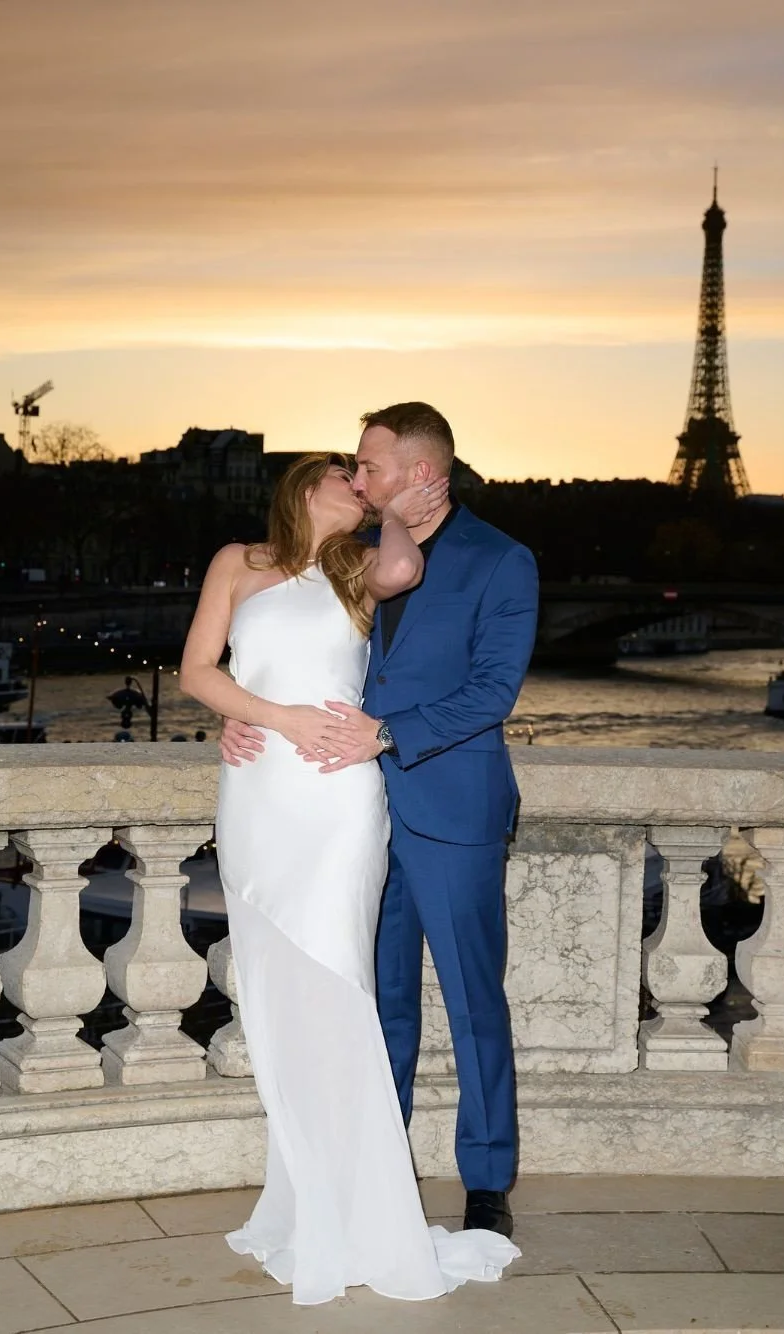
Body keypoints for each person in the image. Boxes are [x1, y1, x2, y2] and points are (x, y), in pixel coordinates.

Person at [180, 450, 520, 1305]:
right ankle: (310, 1185)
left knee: (341, 984)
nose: (357, 487)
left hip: (338, 800)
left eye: (364, 476)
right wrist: (264, 716)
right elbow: (197, 672)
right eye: (347, 475)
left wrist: (397, 503)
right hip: (260, 793)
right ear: (302, 488)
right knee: (276, 988)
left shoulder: (363, 570)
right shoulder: (237, 562)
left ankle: (364, 1201)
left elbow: (407, 563)